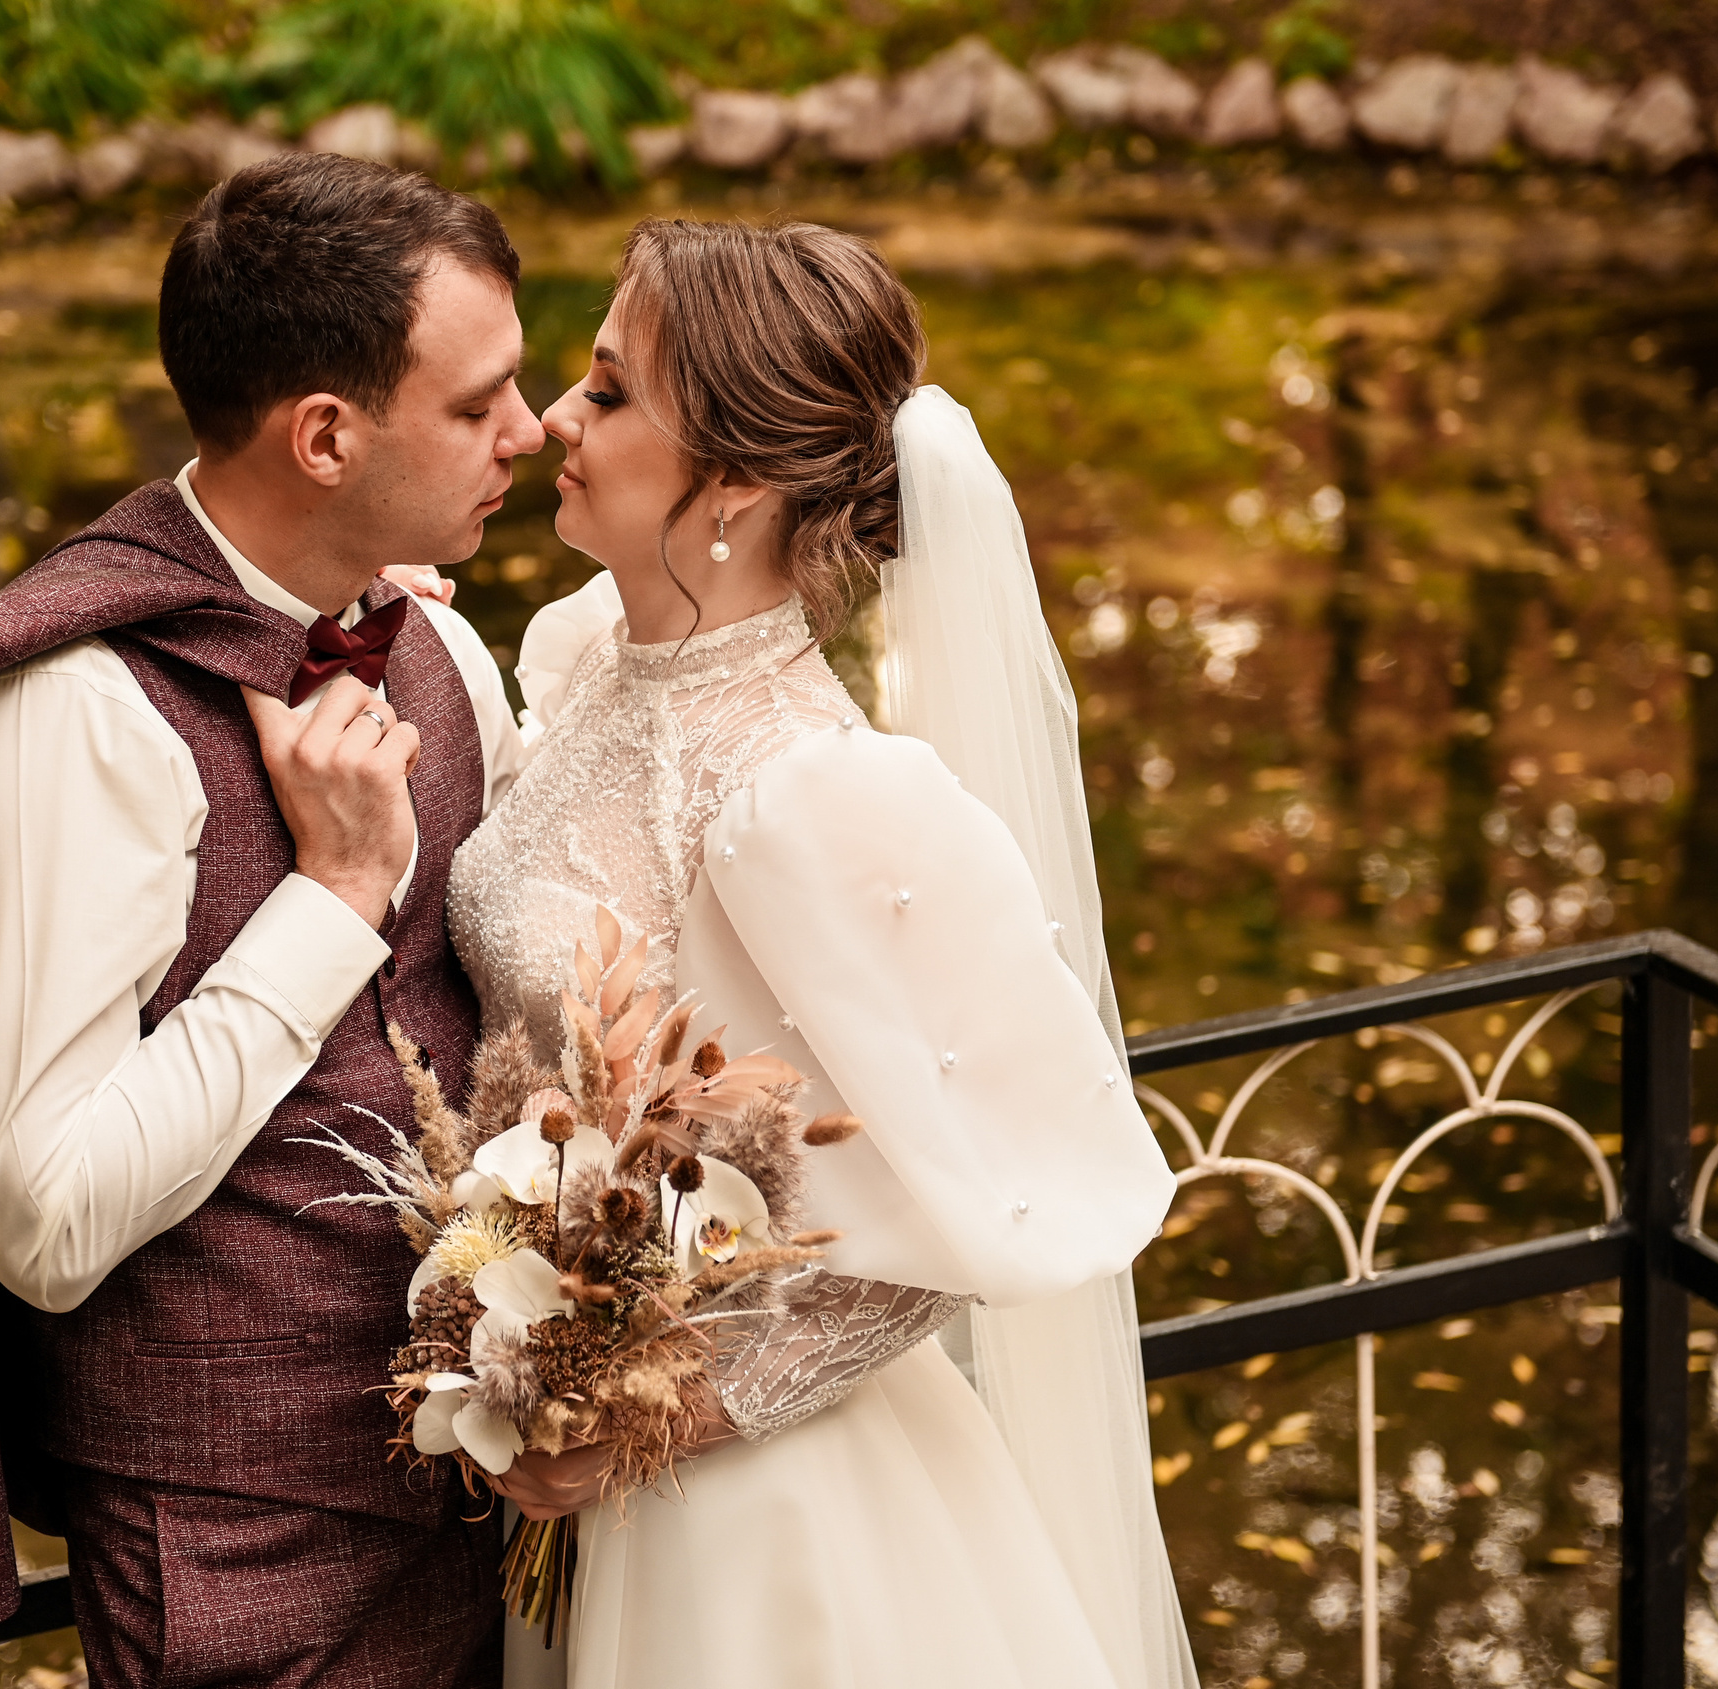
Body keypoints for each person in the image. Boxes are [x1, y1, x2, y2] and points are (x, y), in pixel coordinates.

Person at [0, 153, 545, 1688]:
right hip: (240, 1550)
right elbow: (45, 1219)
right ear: (324, 436)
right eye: (480, 401)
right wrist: (329, 901)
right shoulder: (69, 713)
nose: (532, 429)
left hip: (513, 1502)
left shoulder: (436, 644)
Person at [444, 219, 1198, 1689]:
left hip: (761, 1530)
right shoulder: (593, 662)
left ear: (734, 484)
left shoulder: (806, 790)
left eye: (610, 391)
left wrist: (658, 1405)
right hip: (575, 1476)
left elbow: (993, 1208)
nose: (554, 421)